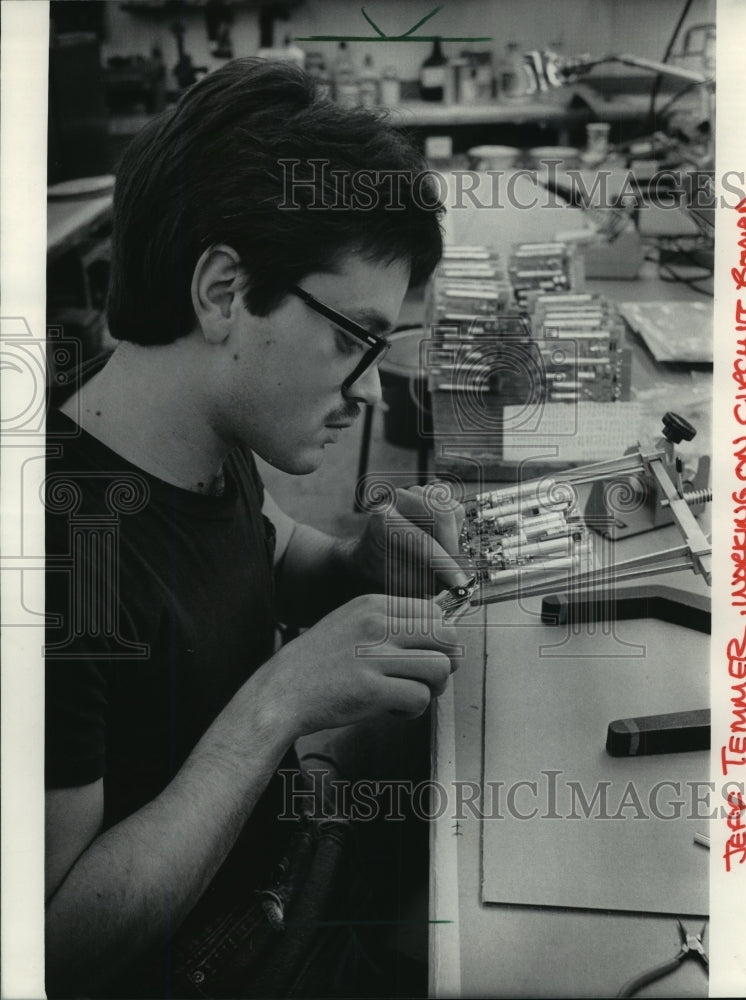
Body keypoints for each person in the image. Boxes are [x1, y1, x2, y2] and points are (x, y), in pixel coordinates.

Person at [45, 58, 468, 999]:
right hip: (219, 957)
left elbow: (269, 551)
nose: (364, 392)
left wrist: (357, 558)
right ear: (225, 291)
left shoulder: (205, 433)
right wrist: (276, 704)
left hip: (283, 859)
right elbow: (53, 949)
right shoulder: (64, 555)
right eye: (352, 339)